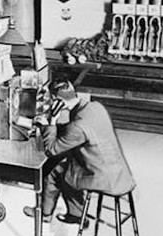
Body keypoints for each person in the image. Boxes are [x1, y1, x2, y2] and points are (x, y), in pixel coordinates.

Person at [23, 82, 136, 224]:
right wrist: (56, 126)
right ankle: (75, 213)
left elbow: (51, 150)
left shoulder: (77, 127)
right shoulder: (96, 107)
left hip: (101, 177)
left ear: (58, 102)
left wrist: (51, 122)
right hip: (117, 170)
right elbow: (79, 132)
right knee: (66, 166)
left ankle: (46, 214)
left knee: (55, 171)